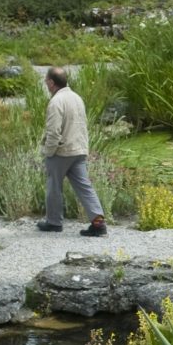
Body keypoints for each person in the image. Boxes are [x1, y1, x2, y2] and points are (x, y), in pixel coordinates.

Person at [38, 66, 106, 237]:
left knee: (54, 186)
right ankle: (98, 224)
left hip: (61, 151)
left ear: (52, 82)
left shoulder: (56, 102)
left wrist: (48, 151)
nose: (46, 83)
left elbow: (53, 132)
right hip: (79, 150)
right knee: (85, 187)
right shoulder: (77, 98)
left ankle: (54, 222)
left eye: (46, 80)